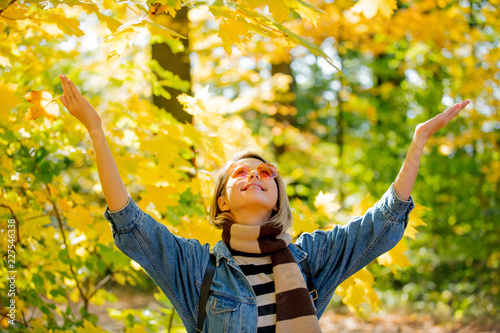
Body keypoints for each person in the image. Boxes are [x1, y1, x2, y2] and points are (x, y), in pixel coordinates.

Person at [58, 74, 469, 332]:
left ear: (277, 199)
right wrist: (96, 130)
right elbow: (130, 223)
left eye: (265, 172)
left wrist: (417, 143)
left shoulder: (309, 259)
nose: (254, 175)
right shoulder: (196, 267)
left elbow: (382, 222)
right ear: (222, 200)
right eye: (239, 172)